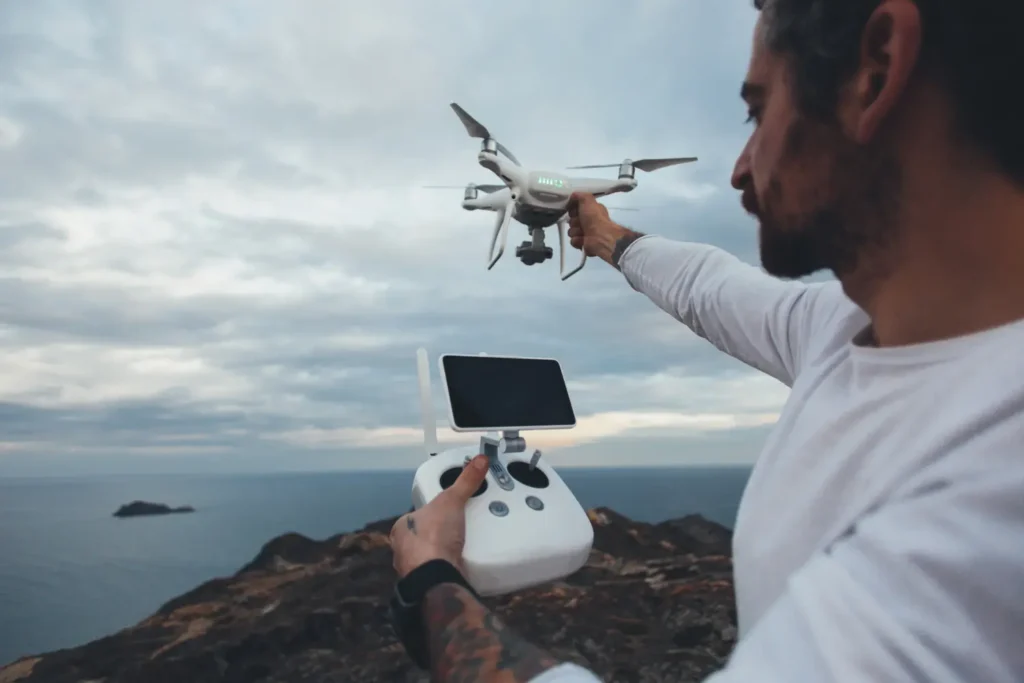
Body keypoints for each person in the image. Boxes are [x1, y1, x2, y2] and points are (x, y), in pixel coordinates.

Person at [389, 0, 1024, 680]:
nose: (739, 170)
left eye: (757, 112)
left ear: (877, 71)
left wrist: (431, 586)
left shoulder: (992, 492)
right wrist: (607, 237)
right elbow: (712, 288)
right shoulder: (850, 328)